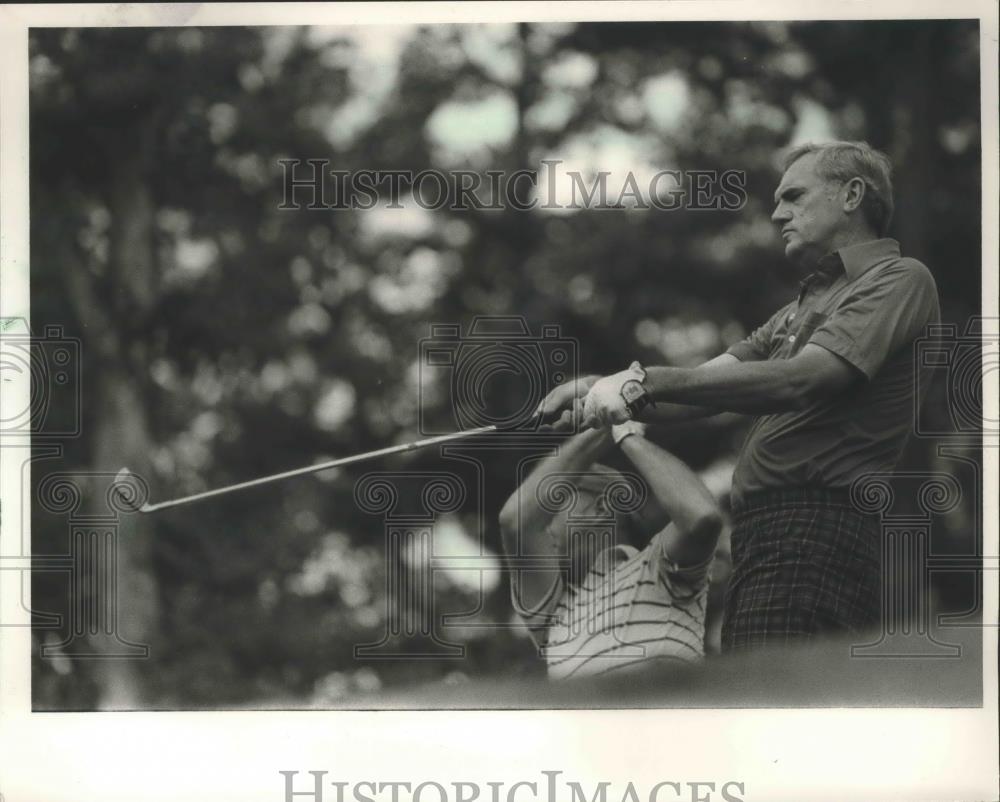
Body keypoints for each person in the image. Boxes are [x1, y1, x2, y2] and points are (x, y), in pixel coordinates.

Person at [535, 141, 940, 652]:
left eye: (793, 196)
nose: (776, 213)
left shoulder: (898, 278)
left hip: (815, 525)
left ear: (852, 195)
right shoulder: (794, 310)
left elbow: (805, 378)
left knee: (771, 713)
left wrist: (640, 383)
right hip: (765, 534)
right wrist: (599, 386)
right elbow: (696, 393)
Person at [498, 421, 723, 679]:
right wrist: (607, 422)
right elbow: (515, 522)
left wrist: (624, 431)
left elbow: (702, 516)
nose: (543, 525)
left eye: (554, 505)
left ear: (602, 508)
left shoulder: (657, 566)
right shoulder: (552, 608)